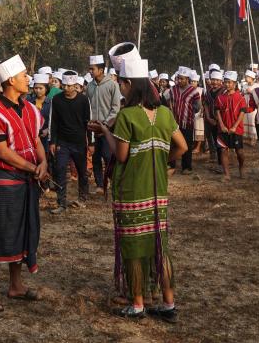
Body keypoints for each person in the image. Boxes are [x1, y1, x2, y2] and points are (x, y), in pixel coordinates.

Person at [89, 56, 187, 322]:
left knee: (133, 247)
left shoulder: (127, 115)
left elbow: (121, 156)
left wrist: (105, 132)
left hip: (132, 191)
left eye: (121, 84)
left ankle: (138, 303)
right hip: (157, 193)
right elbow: (182, 146)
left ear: (129, 84)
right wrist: (164, 163)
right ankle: (168, 303)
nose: (120, 87)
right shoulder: (165, 113)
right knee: (159, 247)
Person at [0, 54, 48, 314]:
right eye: (23, 76)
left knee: (23, 230)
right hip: (7, 180)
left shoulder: (31, 108)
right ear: (10, 81)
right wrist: (33, 167)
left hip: (28, 179)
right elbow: (2, 152)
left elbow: (37, 140)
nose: (28, 79)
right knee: (1, 231)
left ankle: (16, 285)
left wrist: (44, 163)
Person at [48, 71, 91, 214]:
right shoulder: (57, 99)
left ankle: (83, 198)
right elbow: (53, 121)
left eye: (69, 86)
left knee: (82, 171)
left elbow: (88, 123)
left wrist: (91, 143)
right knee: (60, 170)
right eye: (64, 85)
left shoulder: (83, 100)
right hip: (62, 142)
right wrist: (52, 141)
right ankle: (61, 202)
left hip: (79, 142)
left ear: (75, 85)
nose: (66, 88)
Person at [87, 54, 121, 194]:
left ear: (101, 70)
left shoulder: (112, 85)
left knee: (108, 156)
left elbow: (116, 108)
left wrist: (106, 125)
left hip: (109, 129)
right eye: (89, 68)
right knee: (95, 158)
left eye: (92, 68)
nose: (90, 71)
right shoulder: (89, 86)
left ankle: (112, 183)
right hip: (94, 130)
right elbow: (88, 107)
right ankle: (100, 185)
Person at [215, 71, 252, 180]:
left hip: (236, 129)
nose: (227, 84)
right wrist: (221, 125)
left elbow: (242, 113)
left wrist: (235, 126)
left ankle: (241, 167)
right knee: (223, 150)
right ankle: (227, 174)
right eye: (226, 82)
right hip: (223, 129)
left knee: (239, 152)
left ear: (234, 83)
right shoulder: (220, 97)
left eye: (229, 82)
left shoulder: (240, 97)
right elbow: (217, 112)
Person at [166, 67, 200, 174]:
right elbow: (166, 100)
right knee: (173, 144)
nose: (179, 81)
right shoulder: (172, 90)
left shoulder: (193, 91)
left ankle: (186, 167)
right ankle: (171, 166)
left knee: (187, 145)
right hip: (174, 122)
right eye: (178, 78)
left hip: (187, 122)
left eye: (182, 79)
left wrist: (188, 112)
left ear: (187, 79)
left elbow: (197, 106)